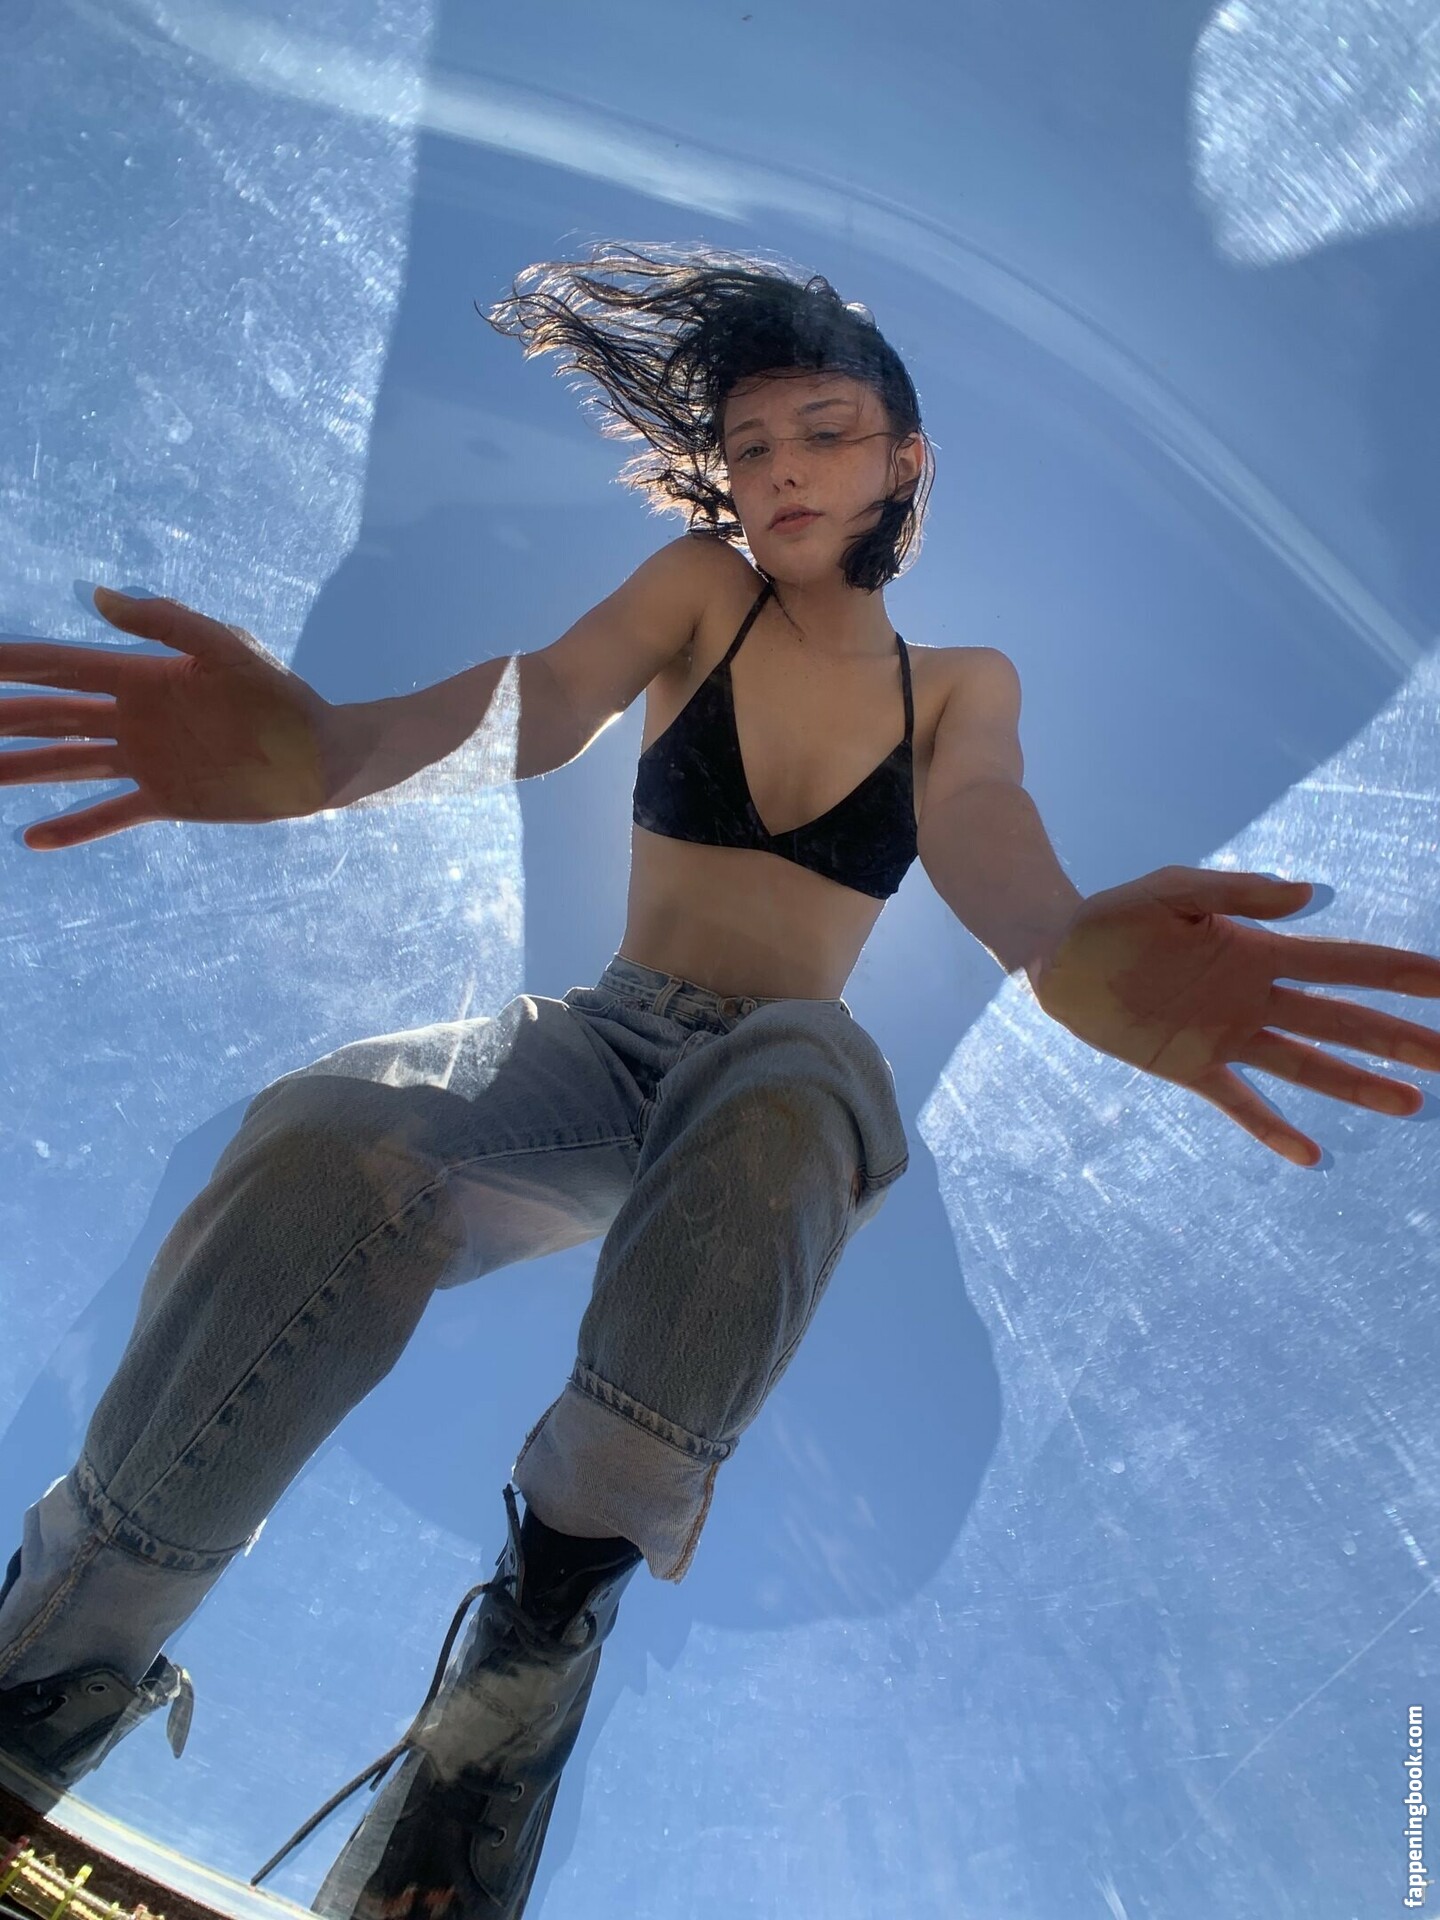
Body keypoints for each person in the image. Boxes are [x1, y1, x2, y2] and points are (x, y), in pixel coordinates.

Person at [1, 244, 1437, 1920]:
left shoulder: (958, 685)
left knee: (813, 1062)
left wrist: (1062, 945)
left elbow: (986, 831)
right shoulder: (703, 589)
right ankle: (56, 1663)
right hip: (602, 1045)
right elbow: (545, 705)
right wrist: (331, 749)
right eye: (750, 448)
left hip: (759, 1089)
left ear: (905, 459)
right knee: (334, 1134)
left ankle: (512, 1697)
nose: (781, 474)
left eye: (823, 434)